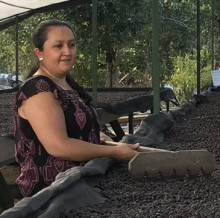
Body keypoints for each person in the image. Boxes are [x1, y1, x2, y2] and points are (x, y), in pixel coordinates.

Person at [13, 19, 139, 198]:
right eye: (58, 46)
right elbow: (59, 146)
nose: (67, 51)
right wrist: (114, 151)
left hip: (80, 183)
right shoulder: (38, 89)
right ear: (39, 52)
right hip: (51, 194)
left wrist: (95, 135)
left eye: (71, 45)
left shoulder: (66, 85)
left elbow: (75, 126)